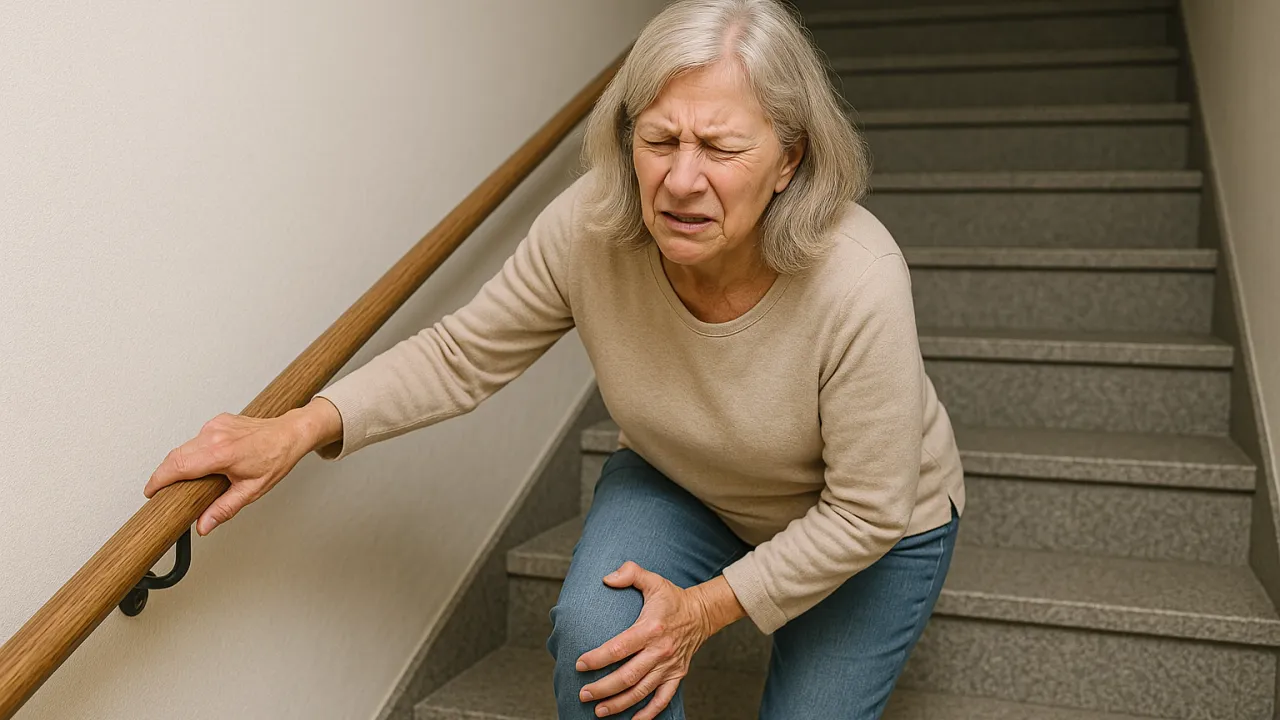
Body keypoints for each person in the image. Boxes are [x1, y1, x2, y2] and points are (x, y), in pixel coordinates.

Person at [145, 0, 966, 717]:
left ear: (789, 160)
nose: (681, 179)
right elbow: (461, 354)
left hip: (870, 528)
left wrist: (702, 611)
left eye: (720, 149)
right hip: (685, 482)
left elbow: (865, 512)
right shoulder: (590, 227)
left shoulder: (857, 278)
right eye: (660, 139)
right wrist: (296, 430)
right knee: (597, 639)